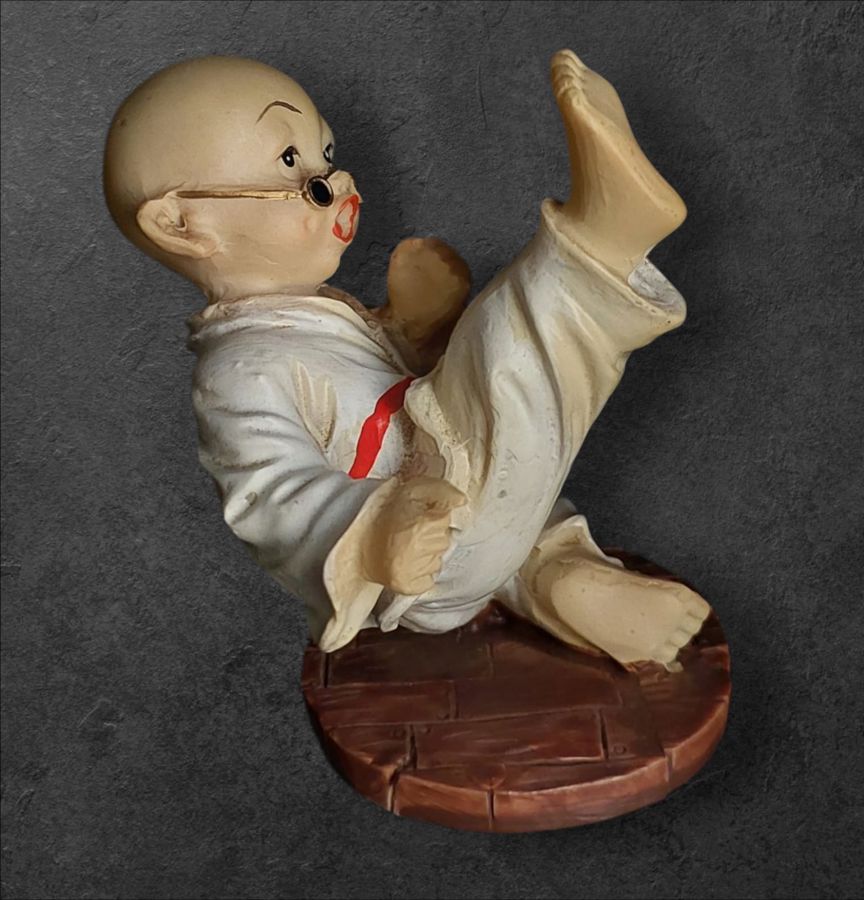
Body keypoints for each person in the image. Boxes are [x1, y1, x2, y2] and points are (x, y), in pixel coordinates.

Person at [104, 50, 709, 667]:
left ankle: (553, 575)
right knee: (504, 359)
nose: (338, 184)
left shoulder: (301, 322)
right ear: (181, 223)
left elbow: (368, 402)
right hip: (429, 548)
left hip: (461, 515)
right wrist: (373, 536)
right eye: (293, 166)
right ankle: (601, 244)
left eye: (326, 157)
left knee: (515, 483)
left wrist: (411, 330)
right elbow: (269, 496)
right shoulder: (238, 375)